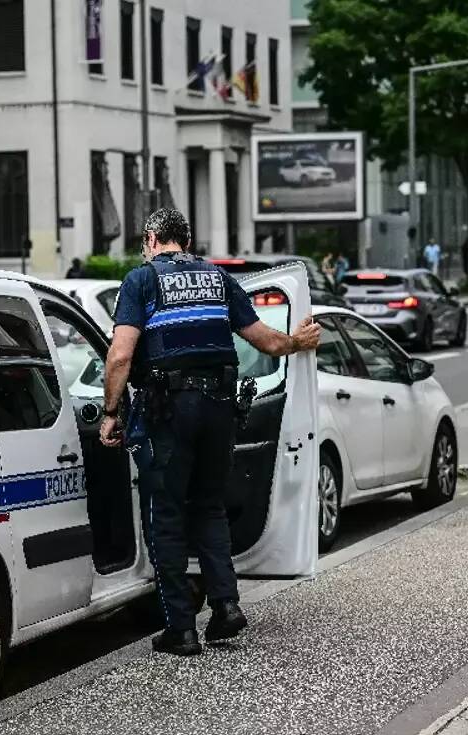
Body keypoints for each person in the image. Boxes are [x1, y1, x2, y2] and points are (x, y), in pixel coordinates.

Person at [99, 207, 321, 657]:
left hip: (168, 411)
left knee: (167, 515)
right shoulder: (218, 278)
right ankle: (226, 606)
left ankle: (181, 628)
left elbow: (121, 356)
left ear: (151, 238)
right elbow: (268, 341)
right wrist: (300, 341)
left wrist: (110, 412)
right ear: (188, 238)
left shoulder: (142, 281)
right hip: (220, 407)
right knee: (209, 507)